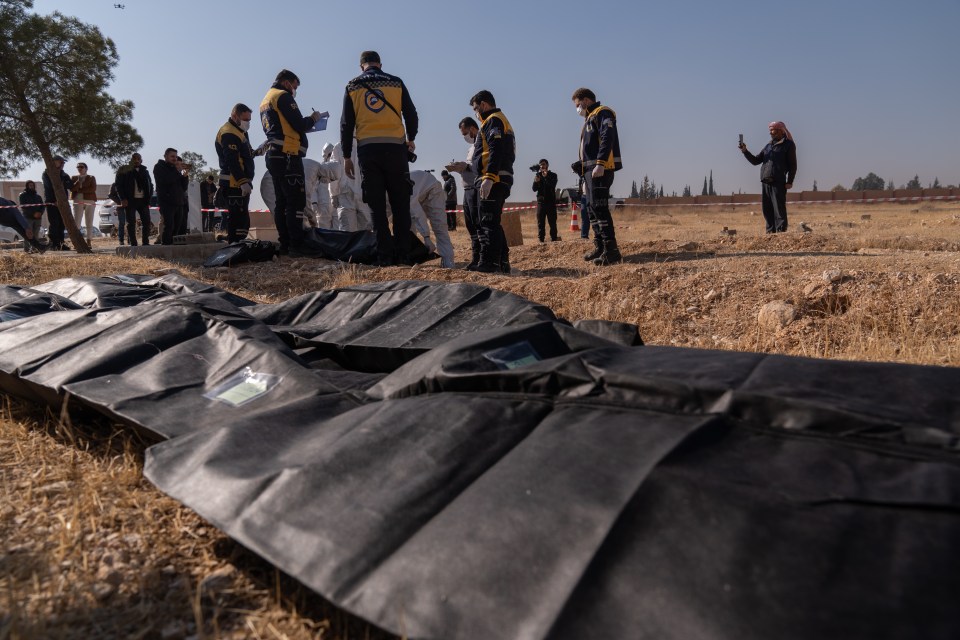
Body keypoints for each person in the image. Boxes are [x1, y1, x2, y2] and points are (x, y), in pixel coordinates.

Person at [340, 50, 419, 266]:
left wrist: (347, 156)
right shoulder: (396, 82)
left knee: (376, 206)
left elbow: (346, 124)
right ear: (380, 64)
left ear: (361, 66)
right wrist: (411, 138)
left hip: (368, 151)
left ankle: (384, 256)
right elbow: (411, 113)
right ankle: (403, 256)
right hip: (396, 150)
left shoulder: (352, 86)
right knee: (400, 204)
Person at [260, 69, 325, 256]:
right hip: (288, 156)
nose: (295, 91)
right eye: (295, 86)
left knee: (282, 202)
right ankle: (297, 245)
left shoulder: (266, 100)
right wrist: (314, 119)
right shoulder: (283, 96)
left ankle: (286, 244)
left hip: (275, 156)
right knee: (295, 203)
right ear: (287, 82)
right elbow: (299, 124)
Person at [573, 87, 623, 266]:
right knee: (592, 208)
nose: (577, 109)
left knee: (600, 208)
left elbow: (607, 136)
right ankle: (600, 246)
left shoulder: (603, 113)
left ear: (586, 100)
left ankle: (612, 250)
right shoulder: (590, 117)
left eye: (578, 105)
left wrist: (600, 163)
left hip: (600, 169)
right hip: (589, 171)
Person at [468, 90, 514, 273]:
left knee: (487, 221)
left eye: (475, 108)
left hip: (494, 178)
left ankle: (490, 263)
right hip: (497, 177)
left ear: (483, 105)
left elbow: (496, 150)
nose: (476, 113)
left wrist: (489, 177)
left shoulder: (493, 120)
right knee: (492, 221)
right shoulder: (496, 120)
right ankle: (502, 262)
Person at [739, 121, 797, 233]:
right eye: (770, 130)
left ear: (781, 131)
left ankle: (781, 231)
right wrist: (745, 151)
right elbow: (756, 161)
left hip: (778, 182)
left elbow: (793, 165)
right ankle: (770, 231)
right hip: (765, 181)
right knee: (767, 209)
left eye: (773, 130)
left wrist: (790, 181)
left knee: (779, 208)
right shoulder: (768, 146)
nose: (771, 132)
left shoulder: (788, 145)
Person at [215, 103, 256, 243]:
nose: (247, 123)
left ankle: (237, 243)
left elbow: (244, 155)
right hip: (234, 183)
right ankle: (233, 246)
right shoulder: (229, 133)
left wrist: (256, 152)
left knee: (242, 219)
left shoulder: (240, 131)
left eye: (249, 120)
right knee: (237, 218)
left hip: (240, 182)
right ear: (234, 116)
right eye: (245, 119)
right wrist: (242, 181)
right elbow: (232, 160)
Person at [446, 117, 480, 268]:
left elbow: (479, 167)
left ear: (472, 129)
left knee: (478, 225)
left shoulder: (481, 143)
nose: (464, 137)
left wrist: (465, 167)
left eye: (465, 133)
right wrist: (460, 167)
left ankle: (482, 259)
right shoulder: (472, 147)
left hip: (475, 188)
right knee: (470, 225)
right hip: (467, 188)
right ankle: (476, 258)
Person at [405, 170, 455, 268]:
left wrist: (426, 237)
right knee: (407, 226)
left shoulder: (401, 186)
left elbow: (416, 212)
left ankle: (448, 261)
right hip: (418, 194)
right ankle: (411, 258)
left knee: (439, 226)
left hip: (432, 189)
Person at [331, 141, 373, 232]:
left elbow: (334, 171)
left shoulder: (338, 147)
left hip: (346, 193)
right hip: (363, 193)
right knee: (365, 231)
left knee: (347, 231)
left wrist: (333, 194)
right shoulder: (367, 144)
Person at [116, 152, 154, 246]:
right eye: (134, 159)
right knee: (131, 223)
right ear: (131, 160)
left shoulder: (145, 171)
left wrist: (149, 197)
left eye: (138, 159)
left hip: (143, 200)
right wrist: (123, 198)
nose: (136, 160)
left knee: (146, 222)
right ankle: (133, 243)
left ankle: (145, 242)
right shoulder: (124, 170)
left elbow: (150, 185)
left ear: (141, 160)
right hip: (130, 200)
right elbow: (119, 185)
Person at [153, 148, 188, 245]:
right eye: (172, 156)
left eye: (176, 157)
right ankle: (166, 247)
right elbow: (165, 181)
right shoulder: (159, 167)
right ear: (165, 156)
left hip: (179, 202)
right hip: (167, 202)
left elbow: (183, 187)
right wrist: (177, 171)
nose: (175, 159)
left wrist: (185, 176)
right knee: (169, 226)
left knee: (177, 227)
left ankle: (173, 247)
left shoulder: (175, 169)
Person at [41, 155, 71, 250]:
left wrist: (63, 182)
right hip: (52, 202)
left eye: (63, 162)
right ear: (54, 162)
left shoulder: (64, 174)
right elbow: (50, 187)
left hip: (63, 202)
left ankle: (61, 243)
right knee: (54, 223)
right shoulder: (47, 173)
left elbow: (70, 184)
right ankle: (53, 243)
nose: (62, 164)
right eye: (60, 162)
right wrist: (54, 200)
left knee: (62, 223)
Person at [532, 158, 559, 242]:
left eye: (543, 164)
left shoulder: (553, 175)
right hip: (541, 203)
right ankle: (541, 240)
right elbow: (534, 189)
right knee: (540, 223)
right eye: (540, 165)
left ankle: (554, 239)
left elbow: (552, 185)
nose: (541, 166)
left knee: (552, 223)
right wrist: (536, 181)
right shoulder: (538, 175)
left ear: (547, 165)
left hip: (550, 203)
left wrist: (546, 177)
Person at [70, 162, 98, 242]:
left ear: (86, 168)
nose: (80, 168)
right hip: (77, 200)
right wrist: (78, 182)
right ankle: (77, 241)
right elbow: (72, 189)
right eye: (78, 167)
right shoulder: (74, 178)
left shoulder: (91, 177)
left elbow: (92, 189)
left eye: (81, 167)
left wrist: (80, 190)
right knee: (77, 221)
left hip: (90, 200)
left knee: (89, 220)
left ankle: (89, 239)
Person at [18, 180, 45, 252]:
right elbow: (24, 207)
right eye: (30, 185)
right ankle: (26, 249)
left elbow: (42, 206)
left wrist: (40, 213)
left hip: (38, 218)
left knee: (36, 234)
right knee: (28, 234)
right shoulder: (22, 195)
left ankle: (35, 248)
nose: (31, 187)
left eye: (32, 185)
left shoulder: (38, 196)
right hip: (28, 217)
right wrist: (33, 213)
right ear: (27, 186)